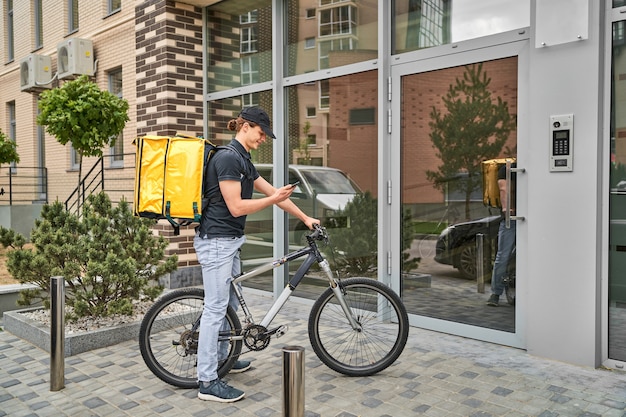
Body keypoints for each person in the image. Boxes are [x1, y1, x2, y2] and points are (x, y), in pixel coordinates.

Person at [194, 106, 319, 403]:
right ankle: (208, 381)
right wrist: (272, 199)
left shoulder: (243, 160)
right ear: (246, 127)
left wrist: (305, 218)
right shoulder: (226, 158)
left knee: (230, 303)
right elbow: (236, 207)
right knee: (215, 308)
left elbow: (274, 194)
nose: (264, 139)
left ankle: (224, 359)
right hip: (216, 242)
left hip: (231, 241)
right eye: (262, 133)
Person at [487, 162, 516, 307]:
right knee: (503, 255)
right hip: (511, 220)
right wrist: (507, 209)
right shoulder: (508, 169)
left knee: (503, 255)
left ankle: (495, 295)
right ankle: (496, 293)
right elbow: (504, 189)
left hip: (523, 219)